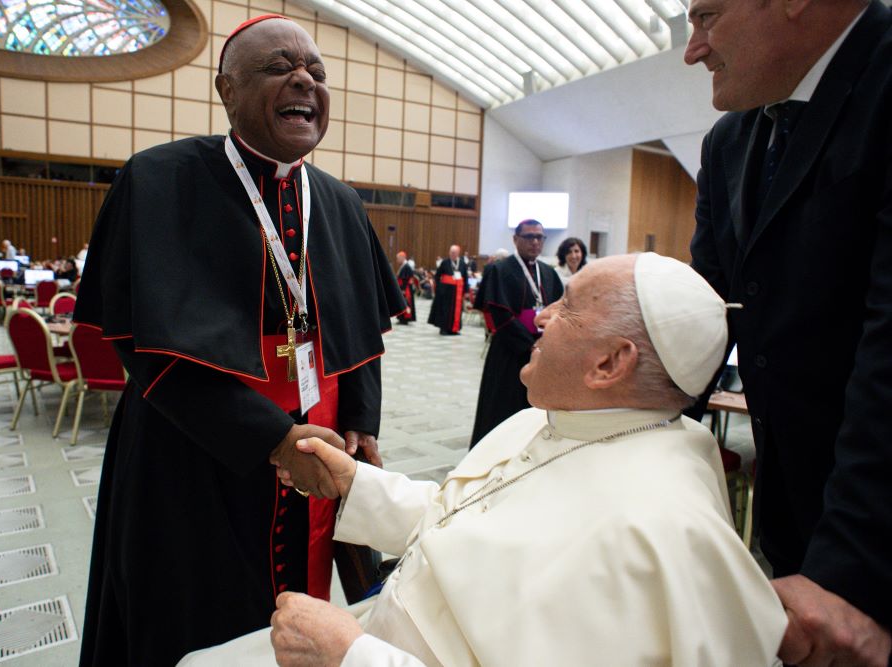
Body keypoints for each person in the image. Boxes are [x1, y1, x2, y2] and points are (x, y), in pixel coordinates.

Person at [178, 253, 788, 667]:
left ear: (609, 365)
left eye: (568, 307)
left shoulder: (657, 532)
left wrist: (352, 655)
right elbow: (467, 519)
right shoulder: (548, 422)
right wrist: (356, 483)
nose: (541, 317)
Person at [73, 13, 404, 666]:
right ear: (226, 89)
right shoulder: (160, 180)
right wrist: (271, 437)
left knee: (302, 616)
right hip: (193, 455)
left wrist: (362, 420)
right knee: (196, 617)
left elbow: (361, 333)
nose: (304, 79)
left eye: (316, 71)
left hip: (321, 438)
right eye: (280, 67)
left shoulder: (338, 201)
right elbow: (149, 350)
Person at [684, 1, 892, 664]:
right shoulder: (730, 141)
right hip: (795, 519)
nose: (694, 50)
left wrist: (847, 568)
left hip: (871, 544)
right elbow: (701, 324)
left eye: (707, 18)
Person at [470, 219, 563, 446]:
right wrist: (529, 345)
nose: (534, 242)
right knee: (503, 405)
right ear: (515, 239)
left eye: (539, 237)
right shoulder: (499, 270)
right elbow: (499, 315)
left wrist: (547, 342)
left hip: (543, 350)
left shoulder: (548, 273)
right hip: (509, 352)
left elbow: (560, 308)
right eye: (529, 237)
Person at [427, 244, 468, 335]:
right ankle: (443, 328)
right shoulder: (444, 262)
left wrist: (466, 291)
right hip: (445, 292)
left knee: (455, 311)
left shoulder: (462, 264)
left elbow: (465, 278)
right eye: (451, 252)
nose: (452, 254)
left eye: (454, 252)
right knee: (444, 310)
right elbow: (437, 276)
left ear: (458, 253)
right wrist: (439, 288)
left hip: (457, 292)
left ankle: (454, 329)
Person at [394, 251, 417, 325]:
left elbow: (405, 279)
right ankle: (401, 318)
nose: (397, 260)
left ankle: (405, 318)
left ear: (402, 258)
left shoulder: (406, 266)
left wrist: (403, 289)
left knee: (406, 303)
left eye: (398, 258)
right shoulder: (403, 266)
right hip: (403, 287)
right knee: (402, 303)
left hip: (405, 289)